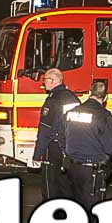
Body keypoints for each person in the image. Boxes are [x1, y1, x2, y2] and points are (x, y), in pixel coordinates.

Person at [61, 80, 112, 223]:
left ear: (89, 93)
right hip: (92, 171)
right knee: (91, 211)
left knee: (77, 207)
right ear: (105, 98)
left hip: (72, 168)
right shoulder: (103, 116)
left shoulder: (72, 112)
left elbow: (63, 137)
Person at [30, 68, 80, 202]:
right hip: (70, 146)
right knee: (66, 184)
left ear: (52, 80)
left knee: (50, 185)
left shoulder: (52, 100)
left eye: (45, 80)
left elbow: (45, 130)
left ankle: (50, 209)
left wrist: (37, 155)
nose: (43, 83)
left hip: (54, 147)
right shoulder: (73, 98)